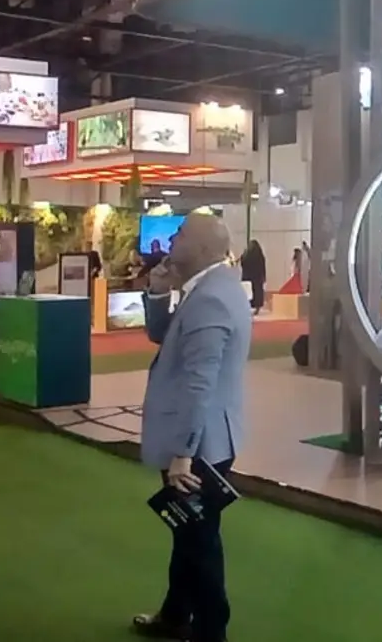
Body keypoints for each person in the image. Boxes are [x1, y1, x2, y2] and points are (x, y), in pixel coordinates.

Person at [132, 213, 253, 642]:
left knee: (200, 544)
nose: (171, 239)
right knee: (187, 534)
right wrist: (158, 291)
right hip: (206, 437)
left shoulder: (211, 298)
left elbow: (201, 381)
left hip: (199, 444)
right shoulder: (209, 288)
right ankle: (175, 615)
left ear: (201, 248)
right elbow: (163, 336)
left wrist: (183, 452)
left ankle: (211, 632)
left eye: (180, 234)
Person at [240, 239, 266, 315]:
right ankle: (257, 307)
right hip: (257, 277)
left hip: (248, 277)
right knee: (257, 292)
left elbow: (243, 263)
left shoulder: (247, 256)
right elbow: (263, 267)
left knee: (248, 293)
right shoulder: (260, 256)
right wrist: (264, 277)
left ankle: (247, 307)